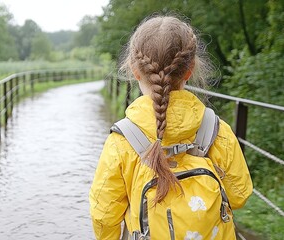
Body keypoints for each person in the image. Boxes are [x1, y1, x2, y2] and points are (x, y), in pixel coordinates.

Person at [89, 15, 253, 240]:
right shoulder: (216, 130)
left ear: (135, 71)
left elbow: (104, 214)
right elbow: (239, 195)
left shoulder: (123, 140)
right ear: (190, 70)